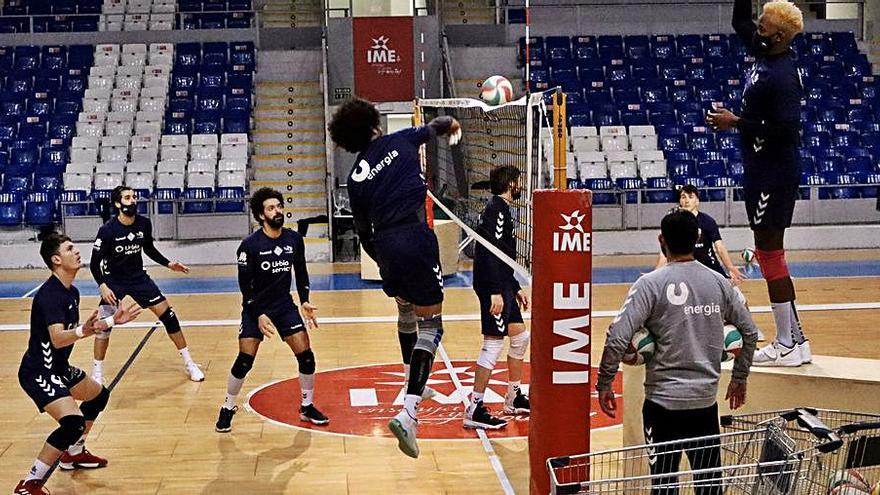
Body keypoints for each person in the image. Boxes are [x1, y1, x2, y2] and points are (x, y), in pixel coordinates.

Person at [328, 97, 461, 458]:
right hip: (415, 238)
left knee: (405, 309)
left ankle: (409, 381)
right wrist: (453, 126)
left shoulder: (355, 177)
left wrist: (384, 262)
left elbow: (362, 231)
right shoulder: (402, 139)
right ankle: (409, 414)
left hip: (385, 245)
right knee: (432, 326)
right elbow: (440, 124)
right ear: (375, 124)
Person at [597, 209, 759, 495]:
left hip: (662, 408)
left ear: (661, 240)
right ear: (697, 238)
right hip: (704, 407)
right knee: (710, 489)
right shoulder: (720, 283)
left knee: (664, 487)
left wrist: (605, 382)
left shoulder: (649, 284)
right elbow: (750, 332)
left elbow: (617, 337)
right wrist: (739, 378)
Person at [707, 0, 810, 366]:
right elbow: (739, 19)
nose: (757, 30)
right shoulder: (766, 49)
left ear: (780, 36)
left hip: (774, 171)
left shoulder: (783, 76)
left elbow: (786, 130)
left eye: (763, 27)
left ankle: (787, 343)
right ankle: (796, 341)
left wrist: (735, 122)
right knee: (770, 254)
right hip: (760, 167)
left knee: (770, 255)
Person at [15, 233, 140, 495]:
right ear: (57, 259)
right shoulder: (50, 295)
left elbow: (87, 328)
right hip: (39, 371)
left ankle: (74, 452)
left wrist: (113, 321)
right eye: (70, 248)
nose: (77, 251)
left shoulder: (72, 292)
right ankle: (29, 483)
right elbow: (59, 339)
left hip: (60, 369)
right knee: (72, 423)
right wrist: (86, 330)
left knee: (98, 396)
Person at [215, 187, 328, 432]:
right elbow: (245, 288)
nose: (277, 211)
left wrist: (305, 300)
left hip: (283, 305)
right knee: (245, 360)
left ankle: (307, 407)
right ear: (260, 214)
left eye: (279, 206)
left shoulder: (294, 239)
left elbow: (301, 272)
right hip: (255, 306)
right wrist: (258, 313)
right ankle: (227, 407)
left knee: (306, 355)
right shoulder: (249, 246)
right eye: (271, 208)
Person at [89, 185, 204, 383]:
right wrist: (103, 285)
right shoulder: (107, 230)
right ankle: (97, 372)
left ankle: (189, 363)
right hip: (114, 282)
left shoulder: (143, 224)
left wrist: (169, 264)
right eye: (127, 198)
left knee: (169, 317)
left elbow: (148, 248)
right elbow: (93, 263)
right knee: (103, 327)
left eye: (134, 197)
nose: (133, 200)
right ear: (118, 204)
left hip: (139, 279)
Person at [464, 165, 530, 430]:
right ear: (510, 183)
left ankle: (513, 397)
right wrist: (494, 291)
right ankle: (475, 407)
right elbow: (487, 253)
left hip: (502, 283)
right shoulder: (496, 210)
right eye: (519, 181)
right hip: (492, 285)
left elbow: (502, 255)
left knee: (520, 336)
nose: (521, 186)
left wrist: (513, 286)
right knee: (493, 344)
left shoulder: (501, 209)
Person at [655, 185, 765, 341]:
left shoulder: (707, 221)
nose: (686, 200)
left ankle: (750, 328)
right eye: (683, 197)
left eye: (690, 197)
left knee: (738, 297)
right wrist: (655, 274)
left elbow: (719, 246)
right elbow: (664, 252)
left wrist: (730, 268)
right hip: (685, 271)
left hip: (711, 270)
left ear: (698, 201)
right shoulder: (674, 222)